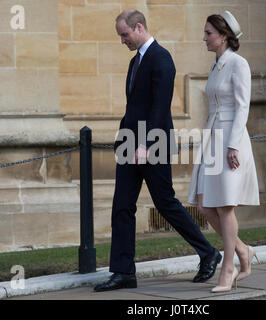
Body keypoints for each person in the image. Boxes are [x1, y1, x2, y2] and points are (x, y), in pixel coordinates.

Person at [94, 10, 221, 292]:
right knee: (121, 207)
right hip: (130, 144)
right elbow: (134, 107)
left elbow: (159, 107)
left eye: (125, 35)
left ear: (139, 27)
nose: (122, 40)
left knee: (165, 203)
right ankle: (123, 272)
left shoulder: (161, 58)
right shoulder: (135, 62)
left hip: (153, 144)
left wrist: (145, 144)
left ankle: (208, 252)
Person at [187, 11, 260, 293]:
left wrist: (232, 145)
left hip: (232, 139)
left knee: (225, 205)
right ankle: (243, 251)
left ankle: (228, 268)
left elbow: (242, 106)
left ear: (224, 35)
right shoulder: (216, 64)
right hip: (212, 138)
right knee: (205, 204)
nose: (204, 38)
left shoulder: (238, 64)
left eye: (208, 33)